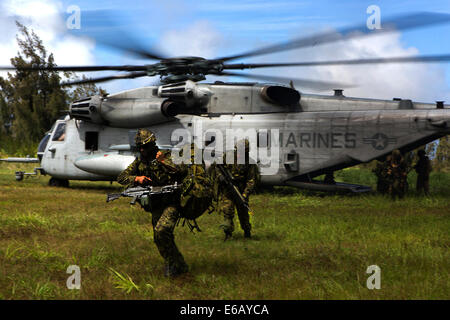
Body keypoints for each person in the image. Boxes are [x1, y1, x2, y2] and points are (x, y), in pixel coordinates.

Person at [117, 129, 189, 277]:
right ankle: (177, 263)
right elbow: (121, 177)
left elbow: (182, 171)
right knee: (159, 238)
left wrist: (163, 161)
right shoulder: (140, 162)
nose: (142, 150)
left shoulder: (166, 155)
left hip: (171, 202)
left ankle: (174, 264)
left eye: (145, 146)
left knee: (162, 230)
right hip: (155, 204)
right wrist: (137, 179)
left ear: (153, 144)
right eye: (140, 147)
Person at [209, 139, 260, 240]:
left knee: (243, 213)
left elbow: (251, 181)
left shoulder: (250, 163)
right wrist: (220, 176)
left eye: (243, 152)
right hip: (227, 191)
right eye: (238, 151)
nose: (240, 154)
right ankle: (228, 234)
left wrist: (245, 195)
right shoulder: (227, 156)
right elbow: (217, 167)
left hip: (240, 192)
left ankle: (247, 232)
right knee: (227, 211)